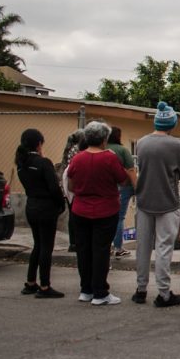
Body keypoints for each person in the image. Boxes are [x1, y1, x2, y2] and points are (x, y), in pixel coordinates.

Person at [68, 121, 134, 305]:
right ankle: (100, 292)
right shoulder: (109, 158)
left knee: (84, 250)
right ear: (104, 139)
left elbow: (71, 184)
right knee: (101, 251)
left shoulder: (78, 158)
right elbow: (122, 180)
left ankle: (86, 289)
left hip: (80, 209)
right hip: (105, 210)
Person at [132, 101, 180, 308]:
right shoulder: (174, 145)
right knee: (163, 247)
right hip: (167, 201)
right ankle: (164, 293)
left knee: (143, 246)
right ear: (172, 123)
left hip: (144, 199)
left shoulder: (142, 142)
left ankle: (140, 289)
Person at [16, 128, 66, 298]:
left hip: (31, 206)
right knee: (46, 247)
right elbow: (54, 187)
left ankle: (30, 282)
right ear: (39, 144)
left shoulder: (21, 165)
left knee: (37, 244)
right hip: (46, 208)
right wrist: (61, 204)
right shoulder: (43, 163)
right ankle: (45, 286)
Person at [107, 126, 136, 258]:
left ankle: (107, 246)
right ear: (118, 136)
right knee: (120, 217)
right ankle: (118, 247)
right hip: (123, 186)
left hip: (107, 187)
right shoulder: (123, 150)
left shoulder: (102, 149)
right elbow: (130, 170)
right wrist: (137, 187)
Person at [58, 129, 85, 252]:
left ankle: (73, 242)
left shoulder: (69, 149)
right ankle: (75, 242)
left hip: (66, 185)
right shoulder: (77, 149)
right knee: (75, 216)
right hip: (72, 186)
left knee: (72, 215)